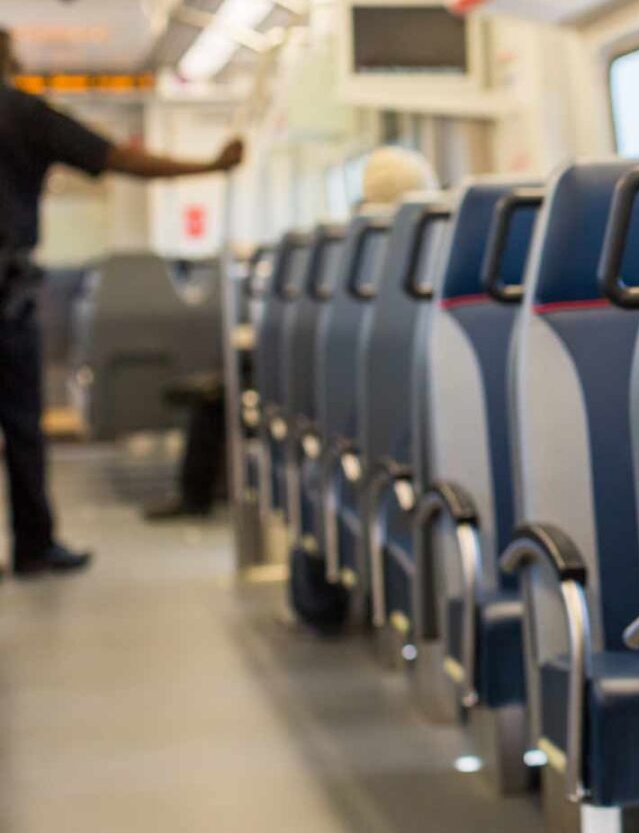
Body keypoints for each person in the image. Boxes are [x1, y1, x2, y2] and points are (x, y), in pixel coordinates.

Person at [0, 28, 243, 574]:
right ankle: (34, 545)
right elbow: (121, 161)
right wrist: (210, 167)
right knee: (20, 425)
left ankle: (37, 542)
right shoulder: (22, 113)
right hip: (7, 297)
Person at [142, 144, 438, 520]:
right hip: (412, 409)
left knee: (225, 391)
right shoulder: (437, 240)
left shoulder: (347, 247)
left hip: (336, 390)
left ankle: (198, 496)